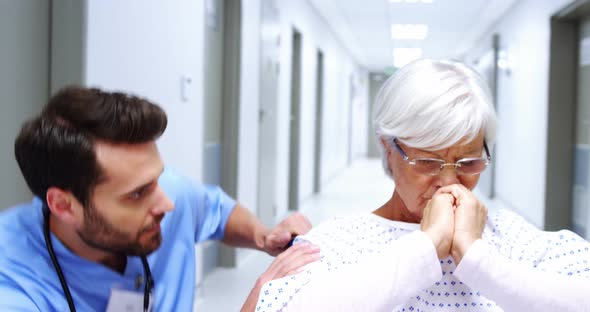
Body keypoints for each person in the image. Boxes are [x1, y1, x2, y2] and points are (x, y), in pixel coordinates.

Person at [253, 59, 590, 311]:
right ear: (388, 148)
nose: (448, 183)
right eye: (427, 162)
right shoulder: (338, 243)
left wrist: (478, 259)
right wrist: (427, 246)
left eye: (468, 163)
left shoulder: (513, 239)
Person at [0, 87, 320, 311]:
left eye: (156, 179)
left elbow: (216, 211)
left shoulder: (167, 194)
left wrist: (263, 237)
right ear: (63, 205)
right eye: (137, 193)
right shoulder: (14, 286)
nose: (166, 204)